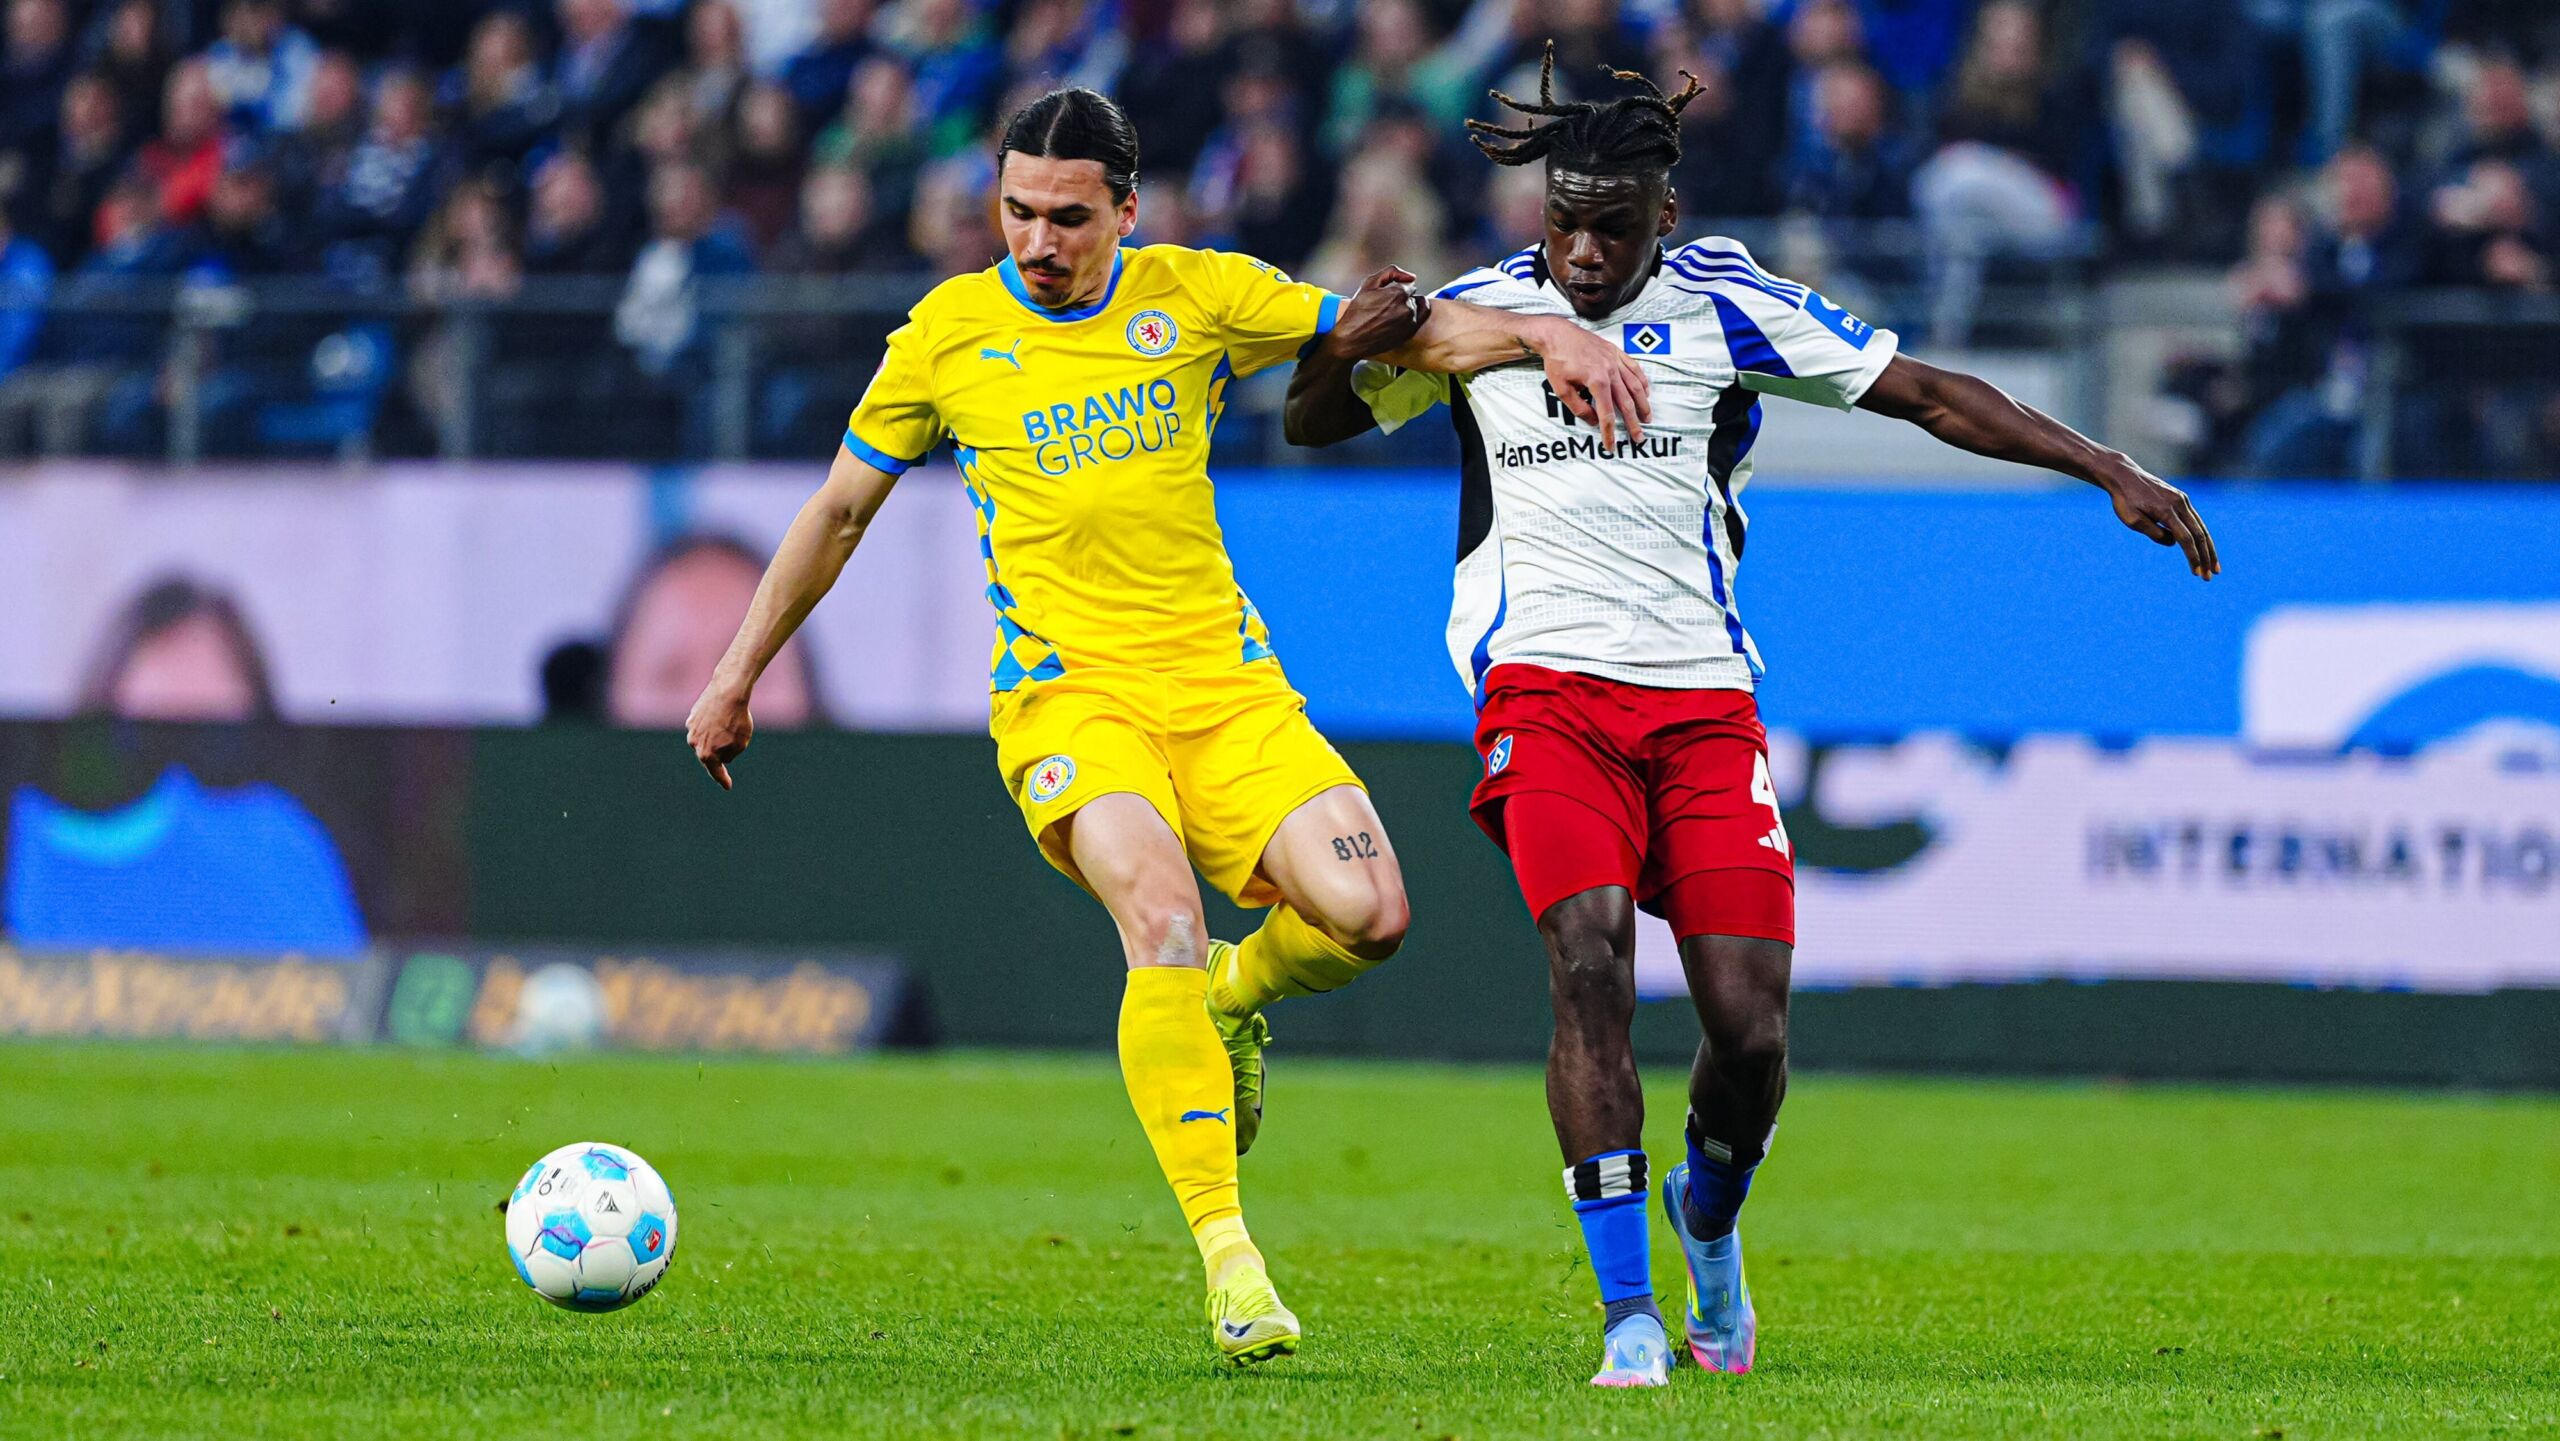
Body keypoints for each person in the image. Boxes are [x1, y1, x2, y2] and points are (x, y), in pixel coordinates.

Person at [1283, 46, 2218, 1390]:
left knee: (1750, 1025)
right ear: (1536, 212)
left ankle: (1707, 1229)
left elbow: (1929, 393)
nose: (1585, 252)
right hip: (1541, 691)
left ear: (1664, 216)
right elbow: (1317, 420)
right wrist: (1342, 350)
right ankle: (1629, 1320)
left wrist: (2104, 465)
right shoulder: (1475, 313)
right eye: (1564, 223)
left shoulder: (1730, 307)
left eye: (1614, 227)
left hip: (1702, 703)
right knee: (1589, 964)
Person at [683, 86, 1649, 1366]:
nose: (1037, 240)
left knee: (1372, 919)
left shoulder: (1196, 294)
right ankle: (1231, 1260)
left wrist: (1544, 339)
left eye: (1068, 217)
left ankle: (1239, 997)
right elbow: (838, 512)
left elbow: (1399, 333)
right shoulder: (947, 336)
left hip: (1227, 688)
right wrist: (737, 670)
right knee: (1159, 919)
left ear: (1125, 213)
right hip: (1070, 696)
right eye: (1018, 211)